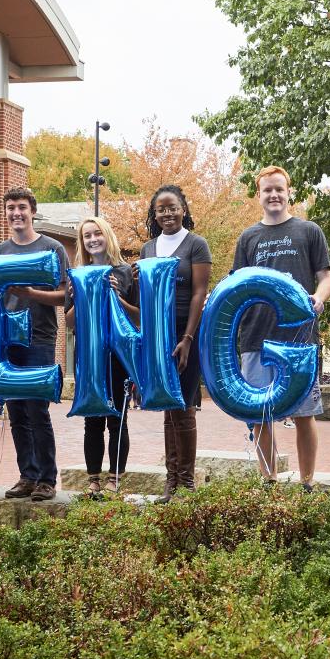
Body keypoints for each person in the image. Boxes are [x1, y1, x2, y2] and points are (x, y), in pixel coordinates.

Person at [233, 166, 330, 490]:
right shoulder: (248, 237)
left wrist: (318, 298)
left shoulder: (309, 231)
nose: (273, 195)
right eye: (267, 190)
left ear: (289, 192)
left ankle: (307, 483)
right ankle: (269, 480)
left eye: (279, 189)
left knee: (305, 413)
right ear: (259, 195)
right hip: (255, 338)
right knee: (261, 413)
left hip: (299, 339)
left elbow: (326, 278)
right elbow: (237, 285)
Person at [0, 187, 68, 502]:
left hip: (39, 337)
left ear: (33, 211)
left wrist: (31, 294)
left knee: (37, 409)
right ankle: (27, 475)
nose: (16, 213)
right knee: (16, 410)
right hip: (7, 341)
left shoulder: (52, 248)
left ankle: (47, 478)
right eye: (10, 208)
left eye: (21, 207)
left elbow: (65, 295)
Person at [139, 185, 211, 503]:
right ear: (154, 215)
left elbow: (199, 293)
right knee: (168, 408)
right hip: (158, 335)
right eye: (161, 209)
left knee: (184, 406)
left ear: (183, 209)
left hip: (187, 332)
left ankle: (187, 480)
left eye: (173, 207)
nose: (167, 213)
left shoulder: (196, 245)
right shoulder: (148, 249)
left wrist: (187, 339)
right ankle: (171, 481)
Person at [65, 217, 139, 496]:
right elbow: (70, 322)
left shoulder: (125, 272)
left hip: (117, 356)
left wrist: (115, 295)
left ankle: (114, 480)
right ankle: (93, 480)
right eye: (87, 236)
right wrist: (79, 296)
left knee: (118, 419)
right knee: (92, 419)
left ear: (107, 235)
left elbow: (138, 317)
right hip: (89, 356)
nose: (93, 239)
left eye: (98, 233)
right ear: (82, 243)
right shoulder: (77, 274)